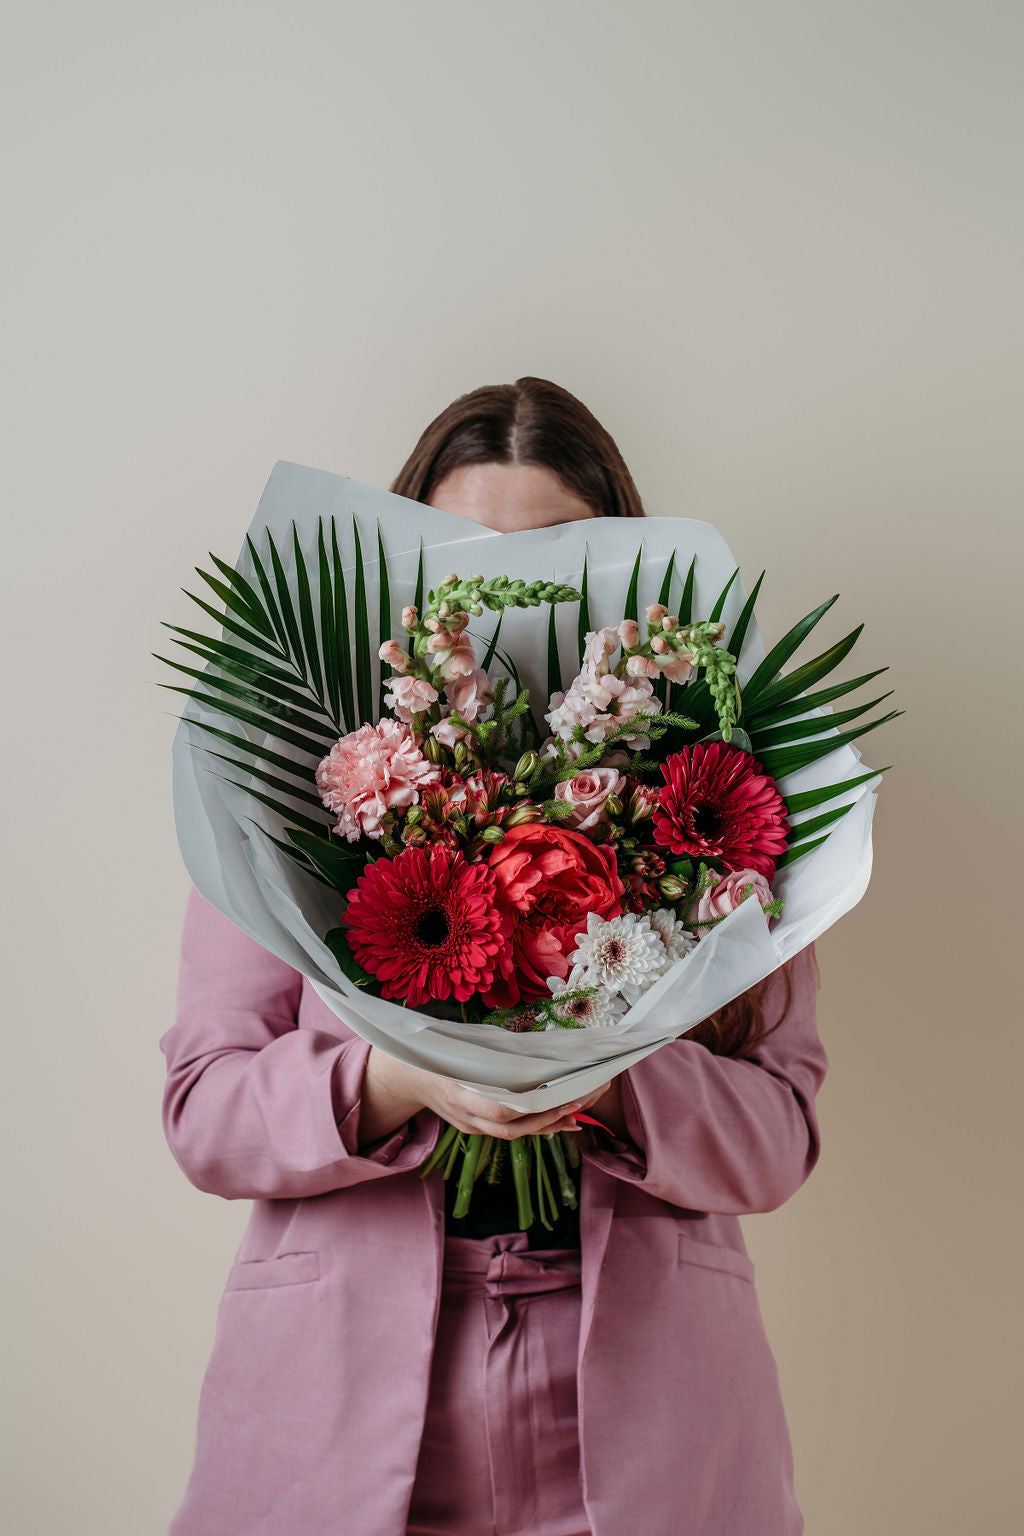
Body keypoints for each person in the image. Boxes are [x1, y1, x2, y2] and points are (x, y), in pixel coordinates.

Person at [159, 376, 828, 1536]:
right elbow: (204, 1115)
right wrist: (403, 1076)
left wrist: (605, 1072)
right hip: (342, 1408)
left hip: (643, 1418)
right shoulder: (285, 790)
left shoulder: (719, 809)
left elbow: (778, 1144)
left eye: (561, 550)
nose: (512, 592)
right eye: (462, 552)